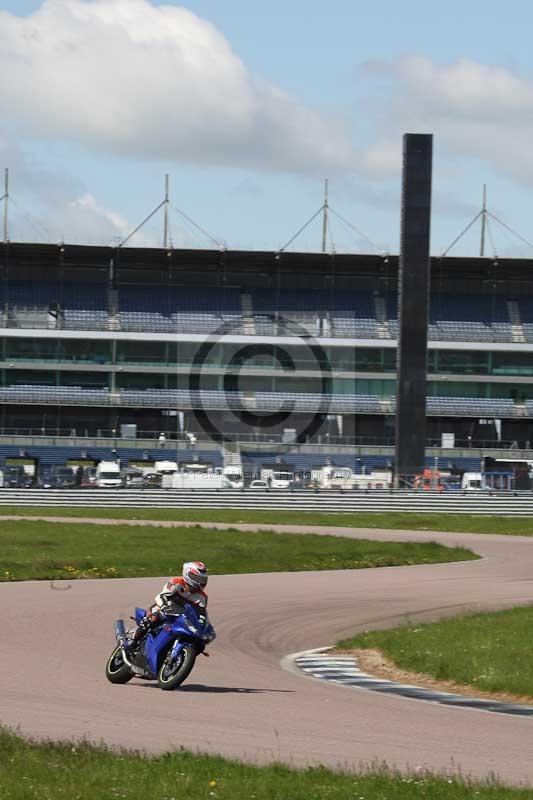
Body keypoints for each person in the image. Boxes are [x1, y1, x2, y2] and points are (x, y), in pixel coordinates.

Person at [128, 561, 208, 647]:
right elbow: (161, 596)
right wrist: (165, 607)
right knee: (154, 617)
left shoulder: (202, 597)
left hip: (183, 617)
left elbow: (201, 613)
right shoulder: (176, 582)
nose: (201, 582)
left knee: (199, 642)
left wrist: (203, 626)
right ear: (187, 574)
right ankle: (134, 639)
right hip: (164, 609)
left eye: (203, 579)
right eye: (197, 578)